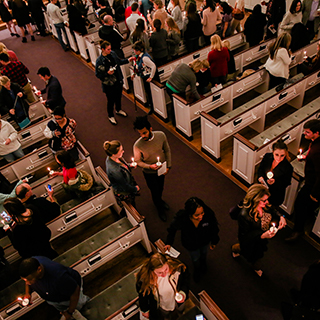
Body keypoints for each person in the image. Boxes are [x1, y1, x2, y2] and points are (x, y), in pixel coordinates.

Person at [231, 184, 286, 276]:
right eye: (264, 200)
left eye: (267, 199)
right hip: (251, 239)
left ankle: (254, 264)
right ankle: (236, 250)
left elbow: (273, 210)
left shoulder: (265, 205)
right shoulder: (244, 215)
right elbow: (246, 235)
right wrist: (262, 235)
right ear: (254, 200)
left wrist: (281, 217)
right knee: (248, 251)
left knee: (258, 252)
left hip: (261, 237)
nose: (267, 202)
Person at [165, 197, 219, 282]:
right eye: (197, 215)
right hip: (191, 245)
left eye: (202, 213)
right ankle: (197, 270)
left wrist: (214, 241)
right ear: (190, 214)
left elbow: (214, 228)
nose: (201, 217)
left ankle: (203, 264)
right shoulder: (182, 218)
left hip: (205, 241)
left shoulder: (208, 215)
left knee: (204, 253)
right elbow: (172, 229)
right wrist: (168, 243)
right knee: (195, 258)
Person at [19, 256, 89, 320]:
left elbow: (75, 292)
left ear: (39, 269)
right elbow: (27, 281)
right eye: (25, 280)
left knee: (80, 305)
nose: (27, 283)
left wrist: (70, 312)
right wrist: (27, 293)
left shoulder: (59, 276)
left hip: (68, 296)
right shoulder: (32, 265)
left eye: (30, 279)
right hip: (53, 297)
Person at [285, 120, 320, 242]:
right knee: (307, 206)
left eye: (308, 132)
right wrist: (306, 158)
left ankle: (298, 231)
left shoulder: (317, 150)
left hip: (313, 185)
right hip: (313, 182)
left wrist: (314, 193)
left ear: (317, 133)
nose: (304, 133)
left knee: (300, 205)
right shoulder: (316, 144)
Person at [133, 116, 171, 221]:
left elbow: (167, 150)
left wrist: (168, 166)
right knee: (154, 191)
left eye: (144, 133)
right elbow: (138, 161)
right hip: (149, 173)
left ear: (150, 129)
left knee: (161, 187)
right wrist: (149, 166)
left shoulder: (161, 135)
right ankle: (159, 208)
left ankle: (160, 201)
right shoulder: (138, 145)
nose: (142, 136)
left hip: (162, 168)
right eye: (140, 133)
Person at [136, 253, 189, 320]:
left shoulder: (178, 268)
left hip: (177, 303)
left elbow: (185, 281)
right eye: (160, 273)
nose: (164, 274)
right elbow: (142, 296)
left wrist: (183, 293)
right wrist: (145, 310)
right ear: (152, 271)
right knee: (165, 316)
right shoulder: (145, 281)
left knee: (180, 313)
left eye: (166, 269)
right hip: (162, 306)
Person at [95, 41, 134, 125]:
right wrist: (107, 73)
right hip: (108, 84)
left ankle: (118, 109)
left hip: (118, 79)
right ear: (103, 50)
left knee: (118, 96)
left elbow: (119, 62)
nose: (110, 50)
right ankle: (110, 115)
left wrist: (128, 60)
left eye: (110, 49)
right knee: (110, 100)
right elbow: (97, 74)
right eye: (108, 49)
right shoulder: (99, 61)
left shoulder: (112, 54)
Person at [257, 139, 293, 207]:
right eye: (276, 154)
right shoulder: (267, 157)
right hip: (261, 190)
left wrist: (275, 182)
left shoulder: (288, 167)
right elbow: (260, 169)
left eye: (282, 155)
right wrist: (260, 177)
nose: (279, 158)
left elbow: (286, 182)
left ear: (285, 154)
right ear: (273, 152)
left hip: (275, 195)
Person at [104, 140, 140, 206]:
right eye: (121, 151)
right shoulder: (114, 170)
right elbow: (124, 186)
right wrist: (135, 189)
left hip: (127, 184)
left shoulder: (112, 157)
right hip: (124, 192)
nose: (123, 151)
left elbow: (122, 165)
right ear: (114, 154)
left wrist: (129, 165)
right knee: (130, 206)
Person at [131, 40, 159, 114]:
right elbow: (136, 66)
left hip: (148, 76)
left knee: (151, 93)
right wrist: (134, 73)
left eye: (136, 50)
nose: (134, 51)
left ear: (141, 50)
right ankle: (151, 105)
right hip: (144, 76)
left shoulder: (144, 58)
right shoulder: (138, 57)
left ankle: (153, 107)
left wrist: (151, 77)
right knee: (148, 92)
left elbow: (153, 66)